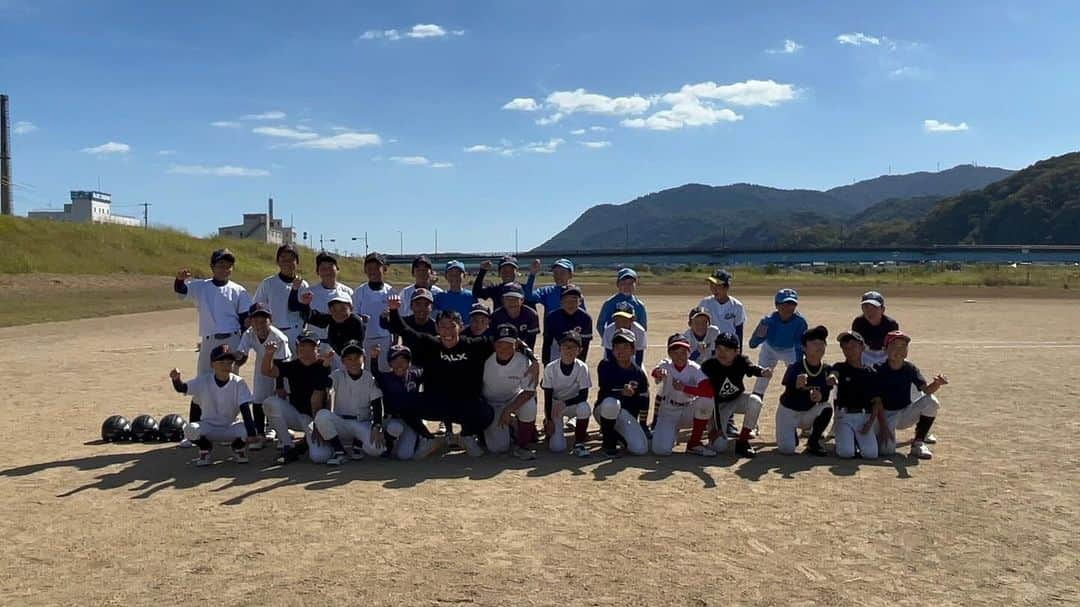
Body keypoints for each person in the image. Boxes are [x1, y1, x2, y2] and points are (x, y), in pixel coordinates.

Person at [385, 297, 503, 457]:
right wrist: (393, 310)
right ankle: (428, 439)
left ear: (461, 327)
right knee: (404, 403)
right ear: (437, 328)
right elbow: (403, 330)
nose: (448, 332)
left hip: (465, 405)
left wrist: (530, 357)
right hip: (435, 403)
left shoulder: (474, 345)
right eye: (443, 327)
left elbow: (505, 340)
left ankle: (466, 436)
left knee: (487, 413)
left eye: (452, 327)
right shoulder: (430, 344)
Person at [173, 248, 252, 446]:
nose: (224, 269)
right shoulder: (201, 286)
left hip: (232, 338)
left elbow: (245, 320)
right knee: (201, 383)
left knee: (231, 382)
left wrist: (242, 347)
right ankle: (193, 433)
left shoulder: (239, 290)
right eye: (220, 265)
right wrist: (179, 279)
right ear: (212, 267)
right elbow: (181, 291)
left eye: (228, 266)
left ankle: (229, 427)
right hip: (210, 340)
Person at [679, 332, 770, 458]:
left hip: (736, 399)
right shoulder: (709, 366)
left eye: (727, 349)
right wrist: (718, 428)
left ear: (736, 351)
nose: (722, 353)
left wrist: (762, 371)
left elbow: (751, 368)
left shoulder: (741, 360)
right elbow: (713, 399)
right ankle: (712, 430)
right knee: (719, 446)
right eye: (719, 348)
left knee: (755, 401)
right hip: (716, 407)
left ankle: (743, 442)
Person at [169, 345, 257, 467]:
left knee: (252, 428)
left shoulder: (238, 382)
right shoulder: (203, 380)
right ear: (212, 364)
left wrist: (252, 435)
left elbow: (245, 409)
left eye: (229, 362)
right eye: (221, 362)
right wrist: (176, 379)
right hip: (208, 428)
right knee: (190, 429)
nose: (226, 365)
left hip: (230, 427)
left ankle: (237, 448)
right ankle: (205, 448)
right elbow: (182, 388)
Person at [260, 333, 334, 464]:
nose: (305, 351)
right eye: (302, 347)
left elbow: (320, 399)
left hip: (315, 419)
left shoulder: (324, 367)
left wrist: (319, 426)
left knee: (320, 457)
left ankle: (305, 443)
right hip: (296, 415)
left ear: (317, 348)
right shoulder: (292, 365)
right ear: (297, 348)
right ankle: (288, 447)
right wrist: (269, 354)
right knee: (270, 402)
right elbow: (267, 371)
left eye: (310, 347)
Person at [873, 330, 947, 460]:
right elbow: (876, 402)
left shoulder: (910, 368)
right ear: (885, 349)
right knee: (886, 452)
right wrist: (883, 427)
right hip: (884, 416)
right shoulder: (878, 369)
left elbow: (926, 390)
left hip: (905, 412)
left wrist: (937, 384)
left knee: (932, 402)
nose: (899, 349)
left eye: (903, 346)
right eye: (894, 345)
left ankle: (918, 443)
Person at [312, 340, 387, 465]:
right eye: (349, 359)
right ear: (342, 361)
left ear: (363, 358)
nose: (353, 362)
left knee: (377, 449)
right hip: (341, 423)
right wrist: (325, 365)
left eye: (357, 358)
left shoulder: (369, 378)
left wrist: (377, 425)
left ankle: (357, 445)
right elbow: (321, 384)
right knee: (322, 415)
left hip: (361, 423)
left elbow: (377, 403)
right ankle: (339, 451)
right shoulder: (337, 375)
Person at [234, 302, 292, 448]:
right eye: (255, 319)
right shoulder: (249, 334)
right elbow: (242, 353)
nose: (259, 323)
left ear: (270, 320)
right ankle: (260, 434)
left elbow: (281, 364)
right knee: (258, 398)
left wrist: (279, 386)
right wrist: (234, 359)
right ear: (250, 320)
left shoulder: (279, 337)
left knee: (279, 399)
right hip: (262, 364)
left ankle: (282, 433)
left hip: (283, 369)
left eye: (263, 319)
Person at [649, 334, 716, 457]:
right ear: (669, 354)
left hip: (688, 410)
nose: (679, 356)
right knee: (661, 450)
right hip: (668, 411)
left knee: (706, 401)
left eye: (683, 352)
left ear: (689, 353)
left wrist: (685, 388)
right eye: (675, 352)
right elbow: (656, 372)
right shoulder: (665, 365)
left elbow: (709, 391)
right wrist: (658, 373)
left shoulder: (694, 368)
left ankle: (694, 444)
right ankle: (671, 432)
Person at [481, 325, 541, 460]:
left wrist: (509, 409)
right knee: (498, 448)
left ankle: (522, 446)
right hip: (491, 403)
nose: (504, 349)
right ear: (494, 344)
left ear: (516, 345)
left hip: (512, 398)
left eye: (509, 344)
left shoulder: (524, 360)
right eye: (500, 344)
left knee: (529, 405)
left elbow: (529, 392)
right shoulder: (485, 358)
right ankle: (512, 425)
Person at [369, 344, 439, 461]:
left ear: (409, 363)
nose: (399, 365)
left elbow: (429, 370)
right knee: (394, 428)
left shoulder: (415, 375)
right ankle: (389, 445)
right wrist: (374, 358)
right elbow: (375, 372)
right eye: (395, 361)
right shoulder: (386, 378)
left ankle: (420, 435)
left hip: (410, 421)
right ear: (389, 363)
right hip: (392, 420)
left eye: (403, 361)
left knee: (404, 455)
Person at [775, 326, 835, 456]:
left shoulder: (827, 370)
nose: (819, 346)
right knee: (787, 450)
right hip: (789, 413)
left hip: (808, 413)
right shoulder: (795, 368)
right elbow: (788, 394)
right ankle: (791, 434)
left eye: (822, 343)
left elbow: (824, 396)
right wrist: (796, 385)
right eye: (814, 343)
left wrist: (820, 397)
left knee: (827, 407)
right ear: (804, 348)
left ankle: (813, 442)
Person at [594, 328, 650, 457]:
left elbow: (644, 399)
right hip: (604, 411)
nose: (621, 351)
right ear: (612, 350)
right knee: (611, 403)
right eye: (617, 347)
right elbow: (606, 390)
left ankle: (616, 435)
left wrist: (642, 424)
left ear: (633, 350)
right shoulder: (605, 366)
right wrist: (621, 394)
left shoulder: (638, 373)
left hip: (625, 415)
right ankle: (609, 443)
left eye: (625, 347)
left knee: (640, 449)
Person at [748, 288, 809, 401]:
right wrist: (760, 336)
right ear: (776, 305)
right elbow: (752, 344)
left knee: (796, 376)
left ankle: (796, 400)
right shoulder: (768, 321)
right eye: (783, 304)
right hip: (770, 349)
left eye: (792, 304)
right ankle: (755, 403)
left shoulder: (800, 322)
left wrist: (799, 366)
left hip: (790, 350)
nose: (788, 308)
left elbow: (799, 346)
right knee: (763, 378)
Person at [830, 331, 880, 460]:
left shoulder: (871, 372)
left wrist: (870, 423)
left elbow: (877, 401)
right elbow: (834, 374)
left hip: (864, 418)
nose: (849, 350)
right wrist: (832, 378)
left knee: (871, 454)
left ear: (862, 347)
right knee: (846, 453)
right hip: (844, 417)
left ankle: (853, 440)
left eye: (853, 346)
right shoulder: (840, 367)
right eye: (845, 347)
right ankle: (847, 440)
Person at [542, 331, 592, 456]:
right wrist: (549, 420)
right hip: (556, 406)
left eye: (573, 347)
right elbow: (547, 395)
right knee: (557, 447)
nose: (569, 350)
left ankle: (579, 443)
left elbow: (583, 395)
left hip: (572, 403)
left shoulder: (582, 367)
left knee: (584, 408)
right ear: (560, 348)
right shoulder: (550, 368)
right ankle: (550, 425)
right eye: (566, 346)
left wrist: (566, 403)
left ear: (579, 350)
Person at [291, 252, 354, 346]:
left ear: (337, 269)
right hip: (316, 344)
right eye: (323, 268)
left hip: (341, 343)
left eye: (330, 267)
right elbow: (302, 314)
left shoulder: (348, 292)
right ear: (317, 272)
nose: (327, 271)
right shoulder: (310, 292)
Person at [252, 244, 307, 349]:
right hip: (273, 332)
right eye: (283, 258)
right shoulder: (268, 283)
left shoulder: (303, 285)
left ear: (297, 262)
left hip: (295, 332)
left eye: (292, 259)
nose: (288, 262)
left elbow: (306, 312)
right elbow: (256, 308)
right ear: (278, 261)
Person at [289, 291, 367, 360]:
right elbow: (311, 317)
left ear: (351, 308)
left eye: (343, 309)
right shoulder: (331, 318)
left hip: (353, 357)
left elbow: (354, 347)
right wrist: (305, 305)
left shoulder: (356, 322)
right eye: (334, 310)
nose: (338, 313)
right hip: (334, 355)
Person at [352, 252, 396, 371]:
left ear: (384, 269)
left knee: (384, 373)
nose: (373, 271)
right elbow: (354, 316)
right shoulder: (359, 291)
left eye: (377, 268)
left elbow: (397, 320)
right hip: (365, 340)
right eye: (369, 268)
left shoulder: (391, 291)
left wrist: (396, 343)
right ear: (365, 270)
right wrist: (361, 319)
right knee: (366, 374)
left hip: (385, 339)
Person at [541, 285, 593, 364]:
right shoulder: (552, 317)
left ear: (580, 302)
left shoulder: (585, 318)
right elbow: (547, 343)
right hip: (557, 348)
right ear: (561, 302)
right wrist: (546, 363)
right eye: (566, 300)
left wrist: (580, 364)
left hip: (576, 351)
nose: (570, 304)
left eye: (574, 300)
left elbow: (585, 345)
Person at [696, 269, 746, 348]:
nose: (714, 289)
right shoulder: (705, 303)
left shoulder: (737, 306)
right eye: (712, 286)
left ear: (727, 287)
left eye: (718, 286)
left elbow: (739, 331)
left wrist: (738, 353)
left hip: (729, 346)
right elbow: (698, 327)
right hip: (710, 347)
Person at [851, 291, 900, 368]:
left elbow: (894, 346)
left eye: (874, 307)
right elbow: (855, 346)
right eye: (866, 307)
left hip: (885, 354)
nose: (870, 311)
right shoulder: (858, 323)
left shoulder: (891, 324)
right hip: (866, 353)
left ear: (883, 309)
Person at [595, 267, 648, 335]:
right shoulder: (609, 303)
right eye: (623, 283)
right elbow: (600, 325)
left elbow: (643, 328)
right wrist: (607, 339)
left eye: (630, 283)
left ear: (635, 285)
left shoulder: (639, 305)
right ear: (617, 284)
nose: (627, 287)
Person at [490, 282, 541, 350]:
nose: (512, 302)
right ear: (502, 300)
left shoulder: (531, 315)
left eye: (515, 299)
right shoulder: (496, 316)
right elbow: (493, 339)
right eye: (508, 299)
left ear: (522, 300)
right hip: (502, 349)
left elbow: (531, 342)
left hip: (523, 349)